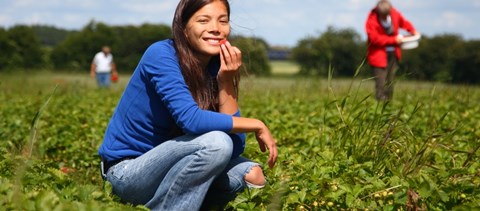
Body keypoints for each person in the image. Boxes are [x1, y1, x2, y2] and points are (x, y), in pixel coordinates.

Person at [97, 0, 278, 210]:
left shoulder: (216, 66)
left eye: (223, 21)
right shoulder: (161, 54)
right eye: (203, 20)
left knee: (251, 176)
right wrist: (256, 123)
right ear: (183, 28)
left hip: (179, 164)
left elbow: (235, 147)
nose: (215, 29)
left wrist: (226, 81)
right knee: (217, 143)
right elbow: (191, 120)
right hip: (129, 170)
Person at [365, 0, 420, 101]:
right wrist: (394, 40)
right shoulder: (371, 20)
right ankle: (380, 105)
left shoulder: (393, 12)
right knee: (380, 83)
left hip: (393, 54)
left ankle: (388, 104)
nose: (385, 17)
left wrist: (412, 30)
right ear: (378, 12)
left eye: (387, 15)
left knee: (390, 82)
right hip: (378, 56)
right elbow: (375, 39)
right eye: (383, 15)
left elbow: (404, 22)